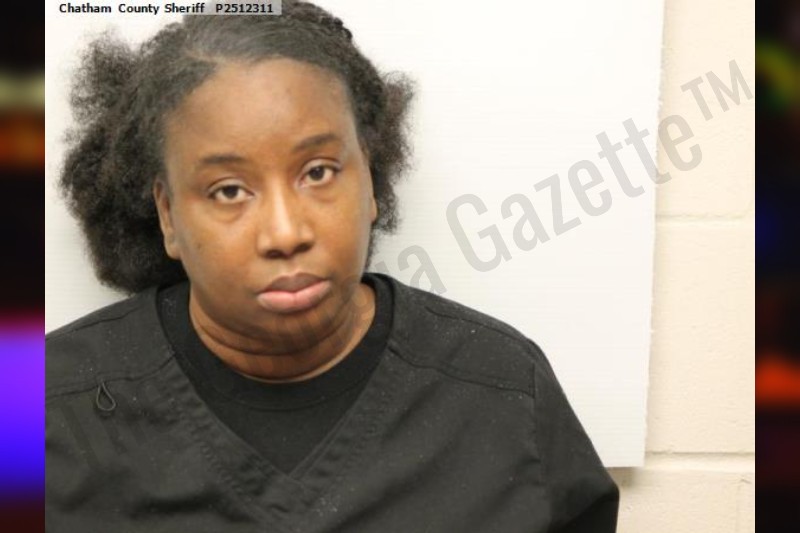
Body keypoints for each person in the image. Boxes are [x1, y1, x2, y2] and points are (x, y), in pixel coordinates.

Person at [46, 2, 619, 531]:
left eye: (318, 172)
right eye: (229, 190)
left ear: (368, 178)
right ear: (168, 214)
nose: (285, 233)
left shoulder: (504, 395)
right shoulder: (40, 407)